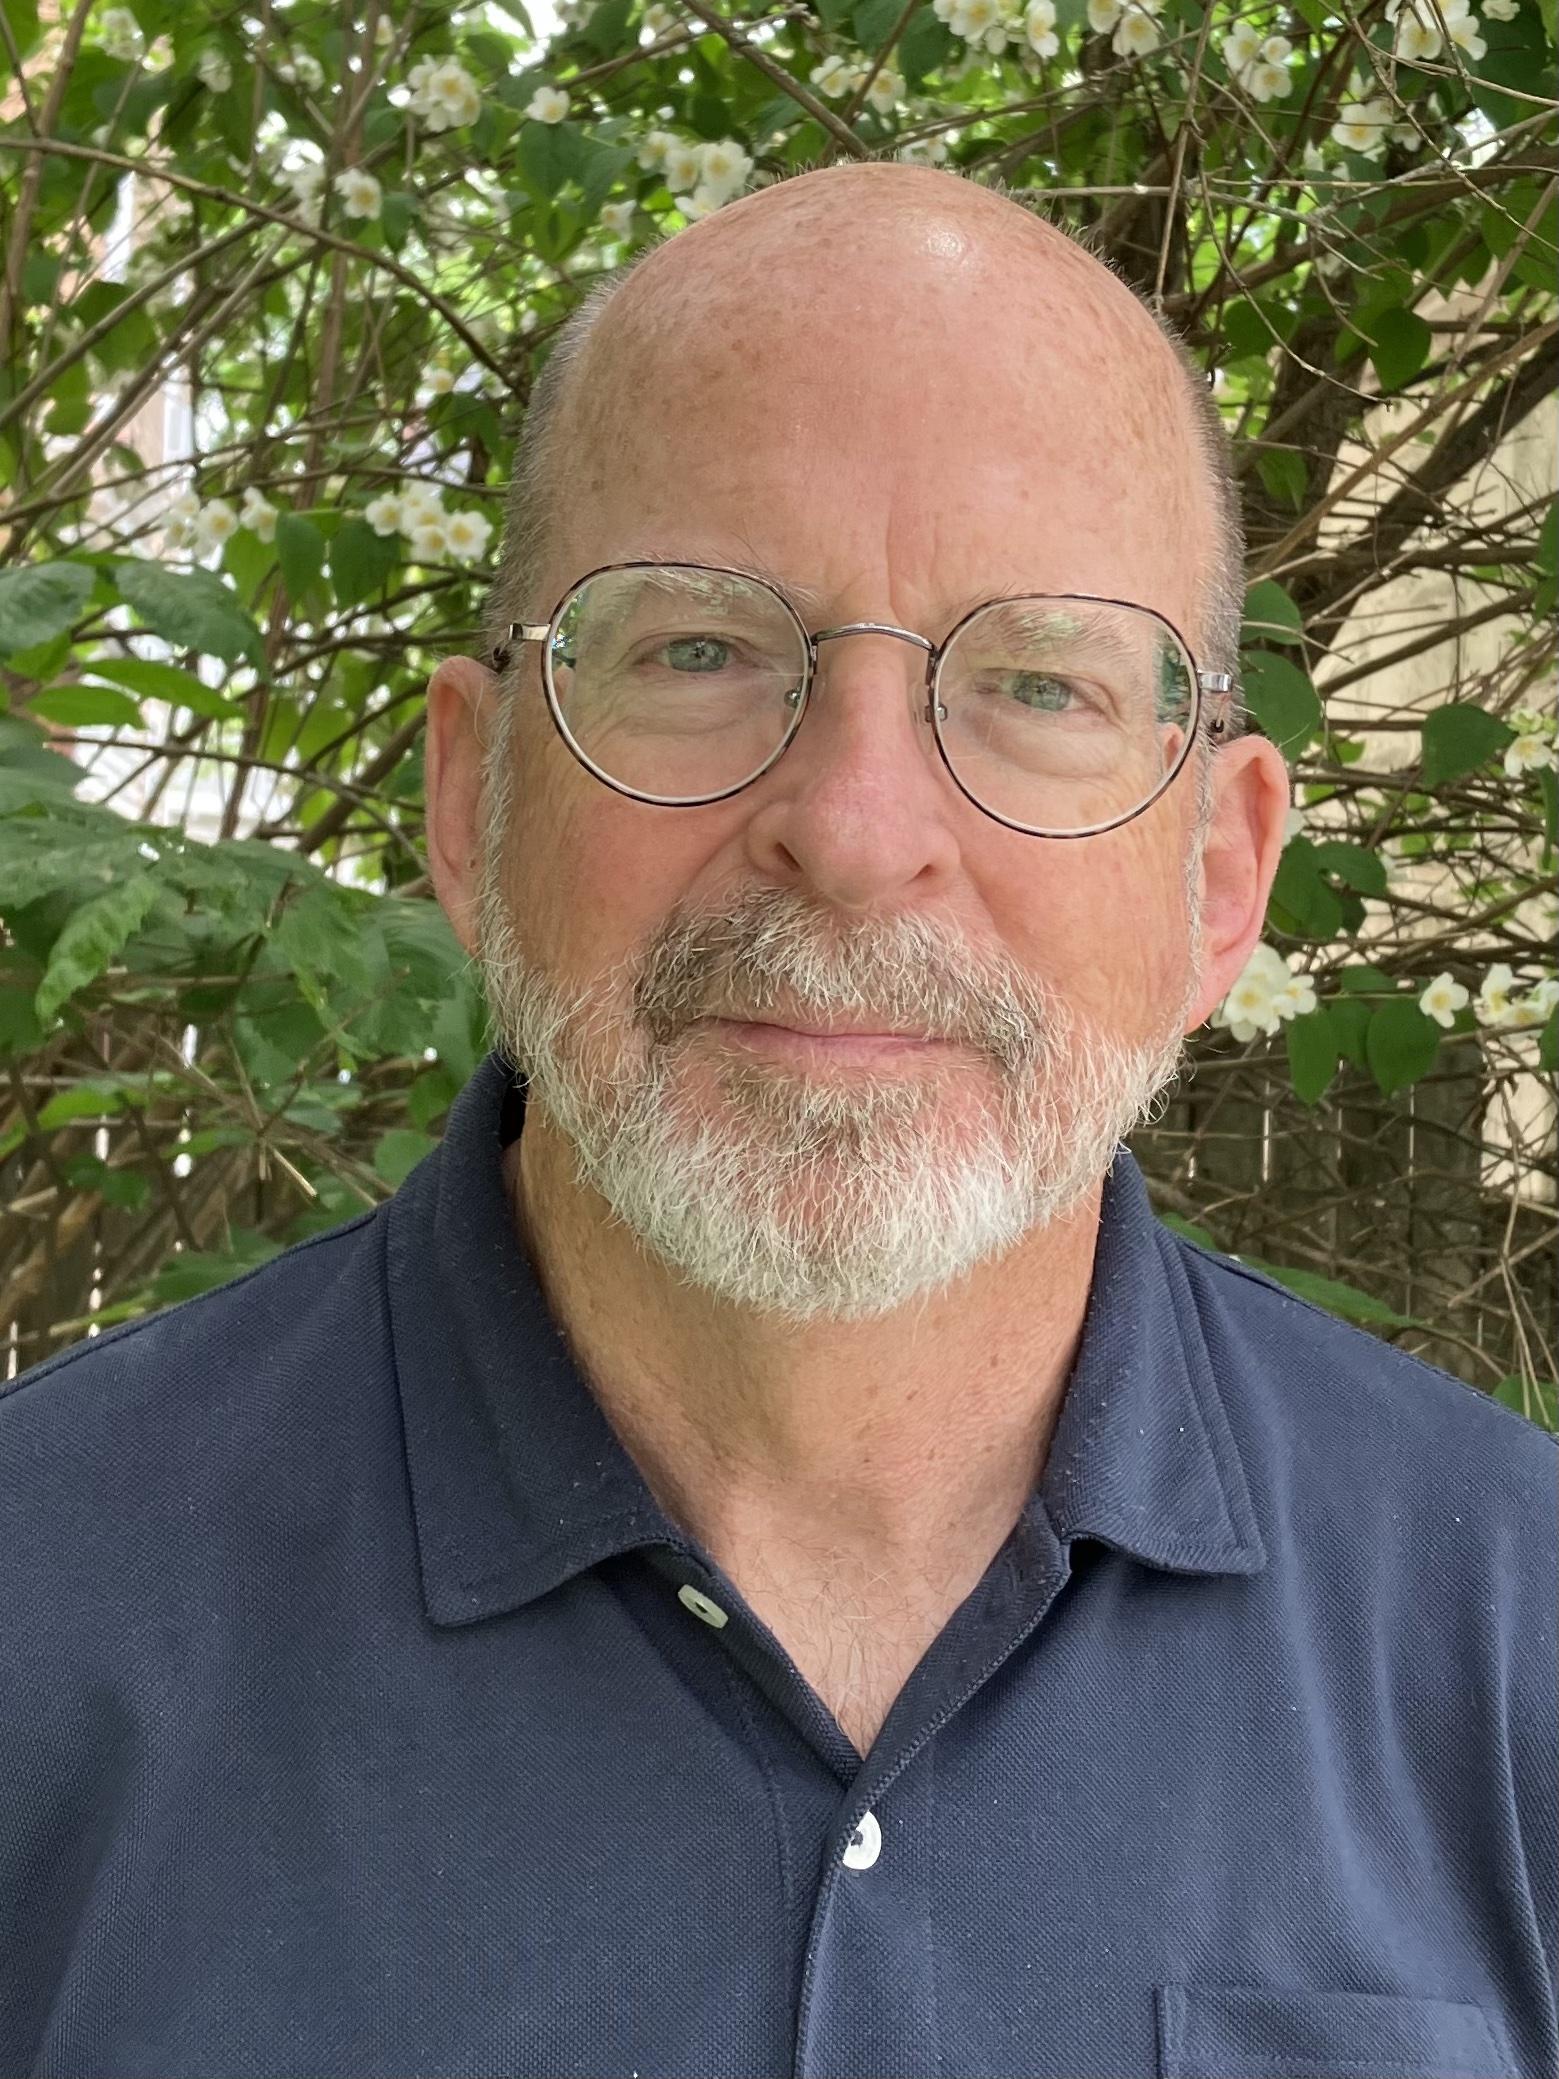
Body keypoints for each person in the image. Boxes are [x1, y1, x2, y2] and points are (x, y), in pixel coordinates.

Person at [1, 161, 1553, 2079]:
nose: (855, 831)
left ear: (1219, 880)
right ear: (470, 800)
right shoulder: (35, 1616)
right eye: (700, 652)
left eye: (1036, 684)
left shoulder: (1522, 1650)